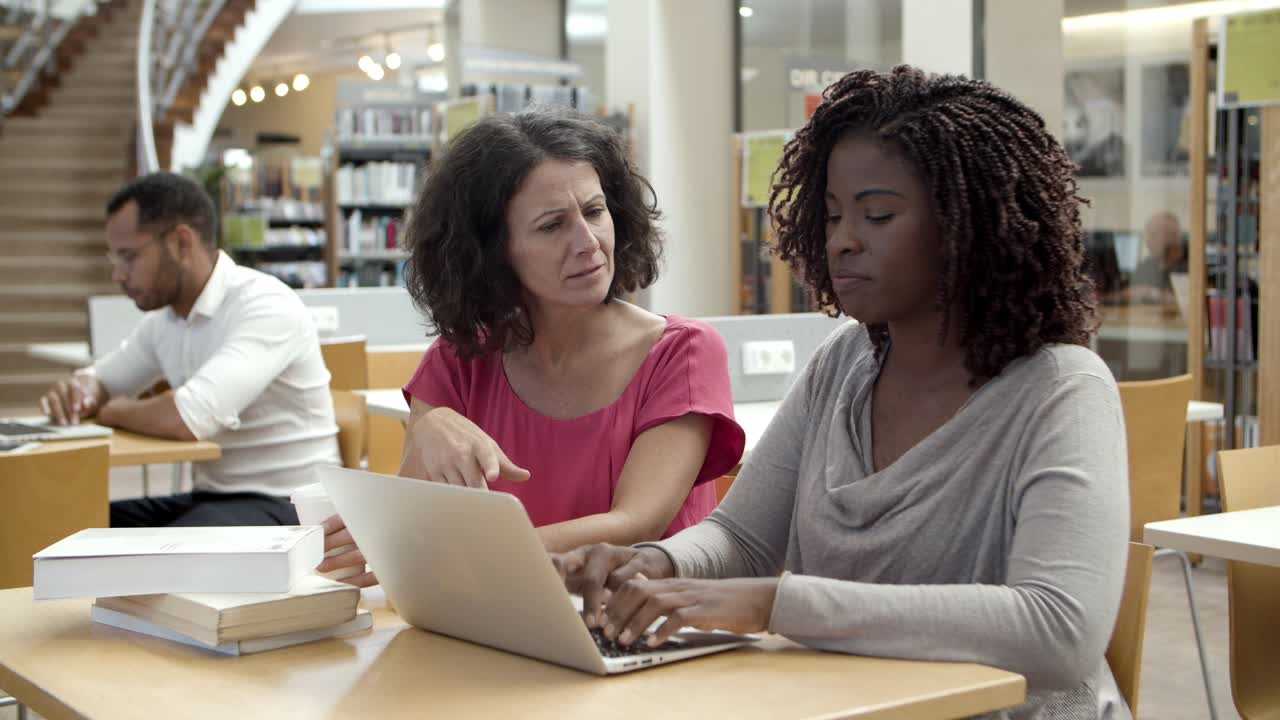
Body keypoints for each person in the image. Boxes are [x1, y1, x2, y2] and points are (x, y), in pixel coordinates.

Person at [554, 67, 1131, 719]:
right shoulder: (841, 364)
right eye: (830, 215)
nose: (842, 239)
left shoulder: (1061, 390)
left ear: (972, 225)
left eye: (877, 214)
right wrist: (655, 564)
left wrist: (774, 604)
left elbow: (1058, 632)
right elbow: (742, 539)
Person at [319, 109, 745, 584]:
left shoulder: (681, 352)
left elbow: (635, 525)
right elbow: (416, 527)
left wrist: (448, 549)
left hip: (644, 626)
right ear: (493, 250)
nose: (588, 243)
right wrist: (426, 431)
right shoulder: (458, 362)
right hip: (503, 623)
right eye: (551, 226)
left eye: (594, 211)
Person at [40, 172, 341, 527]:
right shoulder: (167, 321)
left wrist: (111, 411)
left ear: (181, 243)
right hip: (214, 497)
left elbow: (188, 417)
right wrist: (81, 392)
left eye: (129, 257)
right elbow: (104, 379)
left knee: (156, 553)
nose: (118, 275)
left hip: (291, 503)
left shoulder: (265, 304)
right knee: (63, 522)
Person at [1122, 212, 1187, 305]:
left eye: (1153, 234)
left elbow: (1189, 304)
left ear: (1172, 236)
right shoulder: (1147, 265)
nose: (1147, 239)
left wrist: (1152, 293)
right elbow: (1130, 293)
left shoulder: (1188, 265)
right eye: (1148, 234)